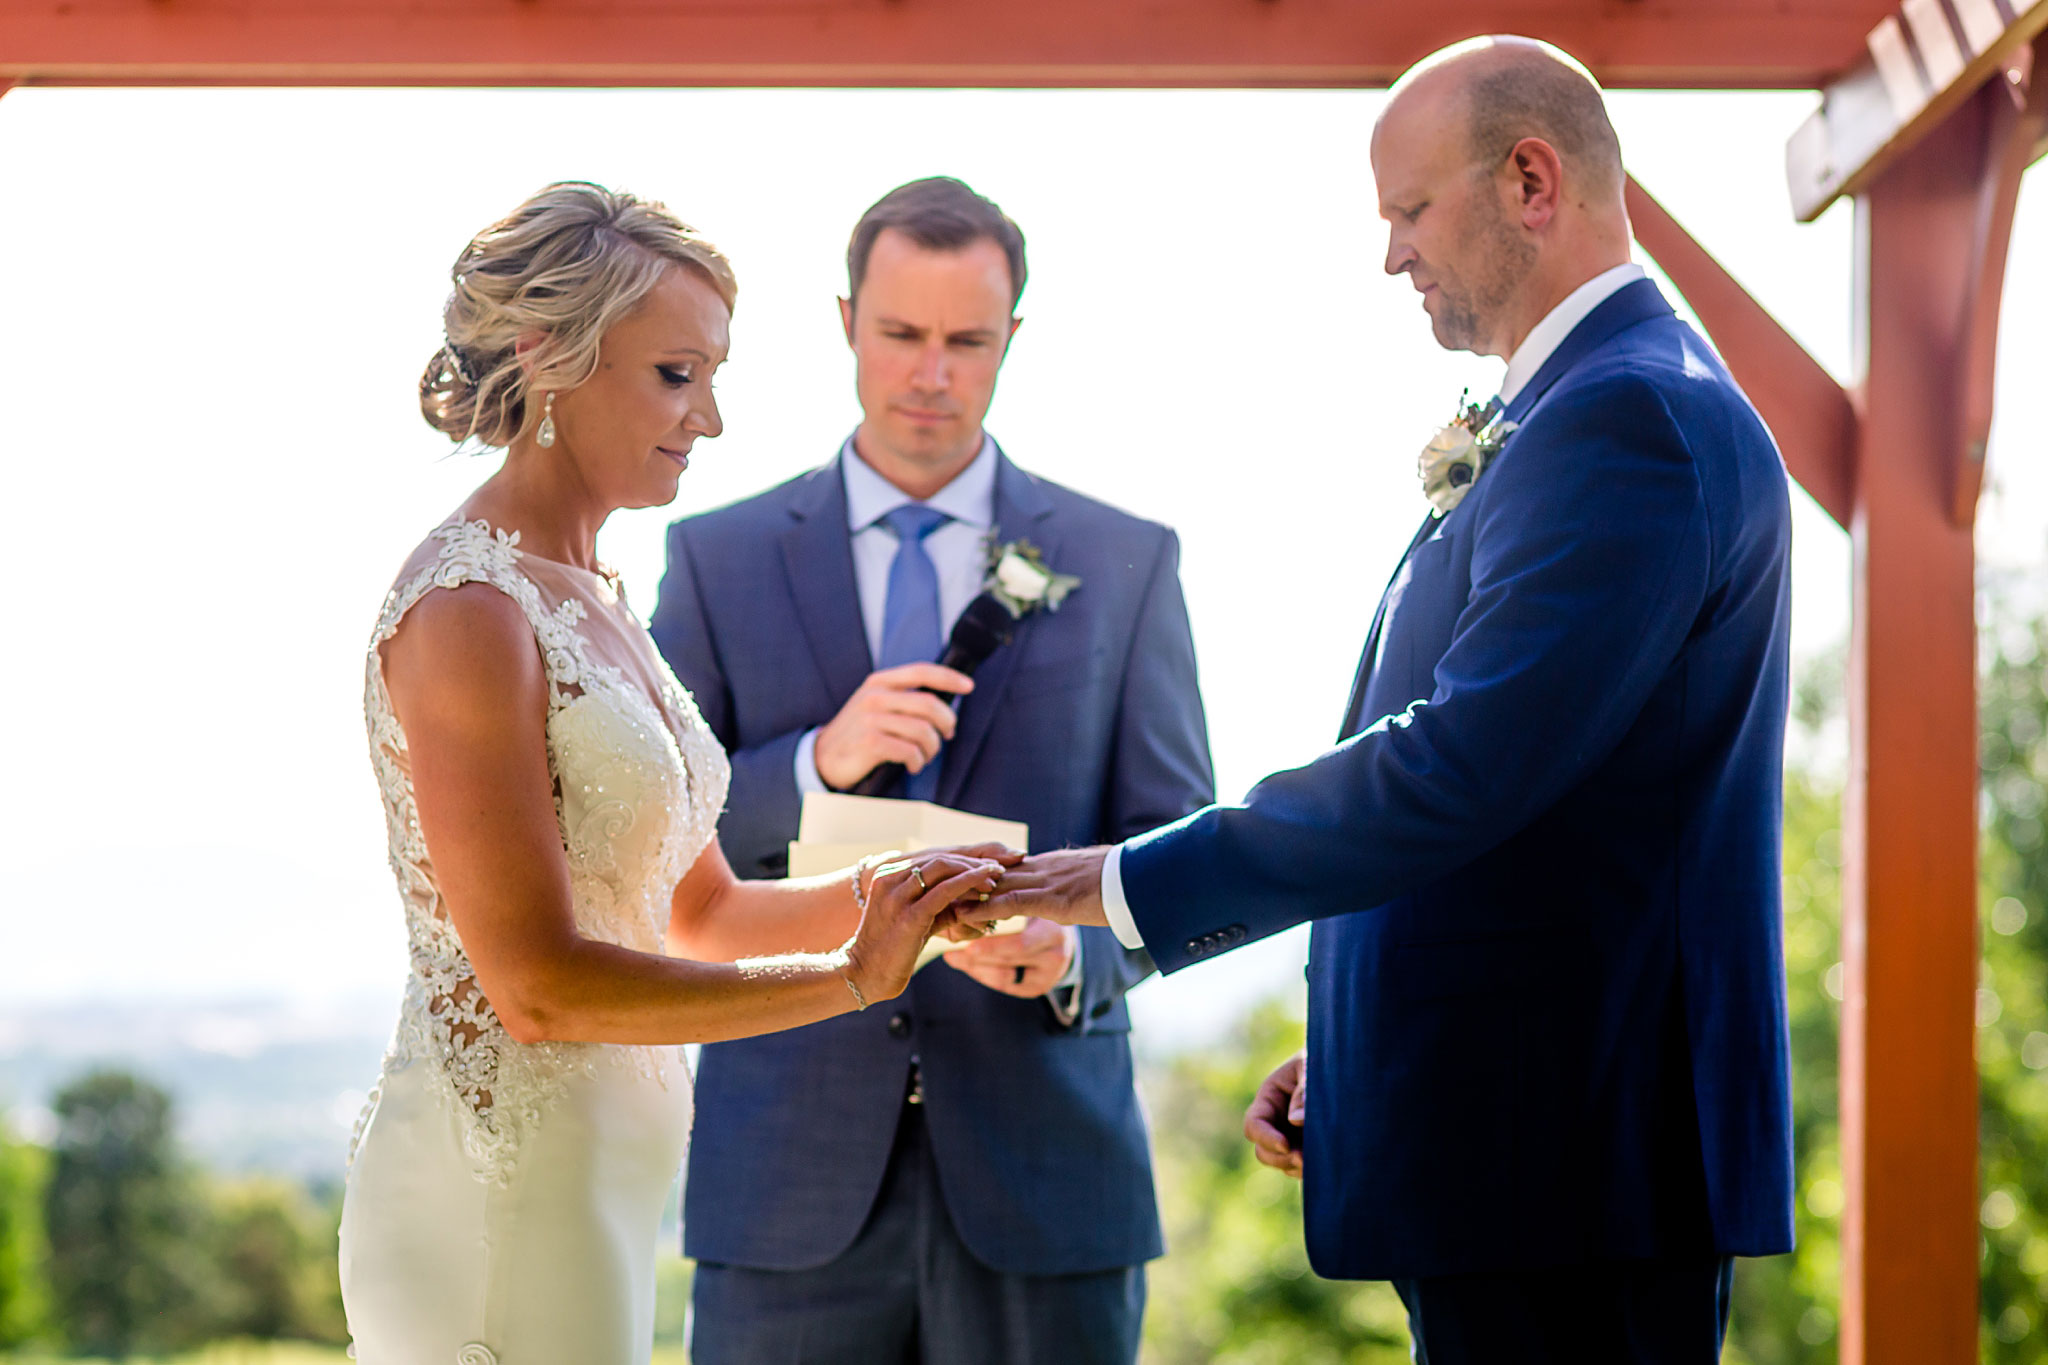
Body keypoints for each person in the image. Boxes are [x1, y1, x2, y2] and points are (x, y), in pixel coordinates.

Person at [980, 40, 1796, 1364]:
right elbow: (1535, 814)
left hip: (1578, 1165)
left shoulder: (1630, 418)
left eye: (1411, 211)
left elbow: (1455, 767)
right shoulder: (1586, 411)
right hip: (1518, 1143)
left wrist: (1121, 881)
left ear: (1531, 178)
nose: (1393, 255)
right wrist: (1369, 1048)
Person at [337, 181, 1006, 1365]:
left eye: (710, 377)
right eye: (674, 374)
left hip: (599, 1184)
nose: (708, 420)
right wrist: (853, 977)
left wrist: (933, 894)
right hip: (496, 1192)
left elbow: (701, 911)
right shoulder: (466, 610)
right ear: (550, 358)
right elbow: (536, 988)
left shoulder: (595, 596)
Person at [650, 176, 1213, 1365]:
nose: (930, 374)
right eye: (900, 335)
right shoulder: (715, 556)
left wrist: (1077, 952)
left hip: (1048, 1180)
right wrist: (812, 765)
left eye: (966, 341)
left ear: (1012, 337)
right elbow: (650, 836)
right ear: (845, 321)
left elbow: (1180, 849)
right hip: (784, 1181)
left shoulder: (1124, 562)